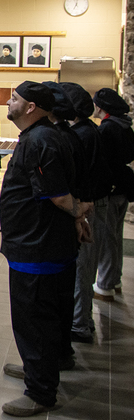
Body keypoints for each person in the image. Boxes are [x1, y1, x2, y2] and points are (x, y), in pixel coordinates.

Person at [0, 81, 86, 417]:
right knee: (54, 313)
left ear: (31, 107)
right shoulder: (48, 135)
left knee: (34, 318)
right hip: (45, 242)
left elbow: (58, 194)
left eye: (16, 98)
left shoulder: (41, 140)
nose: (9, 101)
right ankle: (49, 364)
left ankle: (40, 390)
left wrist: (78, 213)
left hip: (37, 246)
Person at [62, 82, 108, 342]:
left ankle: (79, 323)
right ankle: (83, 319)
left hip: (87, 206)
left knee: (82, 268)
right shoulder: (87, 130)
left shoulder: (82, 134)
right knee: (85, 268)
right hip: (90, 203)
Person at [88, 88, 134, 302]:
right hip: (124, 185)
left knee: (106, 237)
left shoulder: (107, 129)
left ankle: (105, 284)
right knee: (115, 234)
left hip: (111, 187)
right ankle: (114, 278)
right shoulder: (125, 126)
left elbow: (102, 161)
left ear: (100, 107)